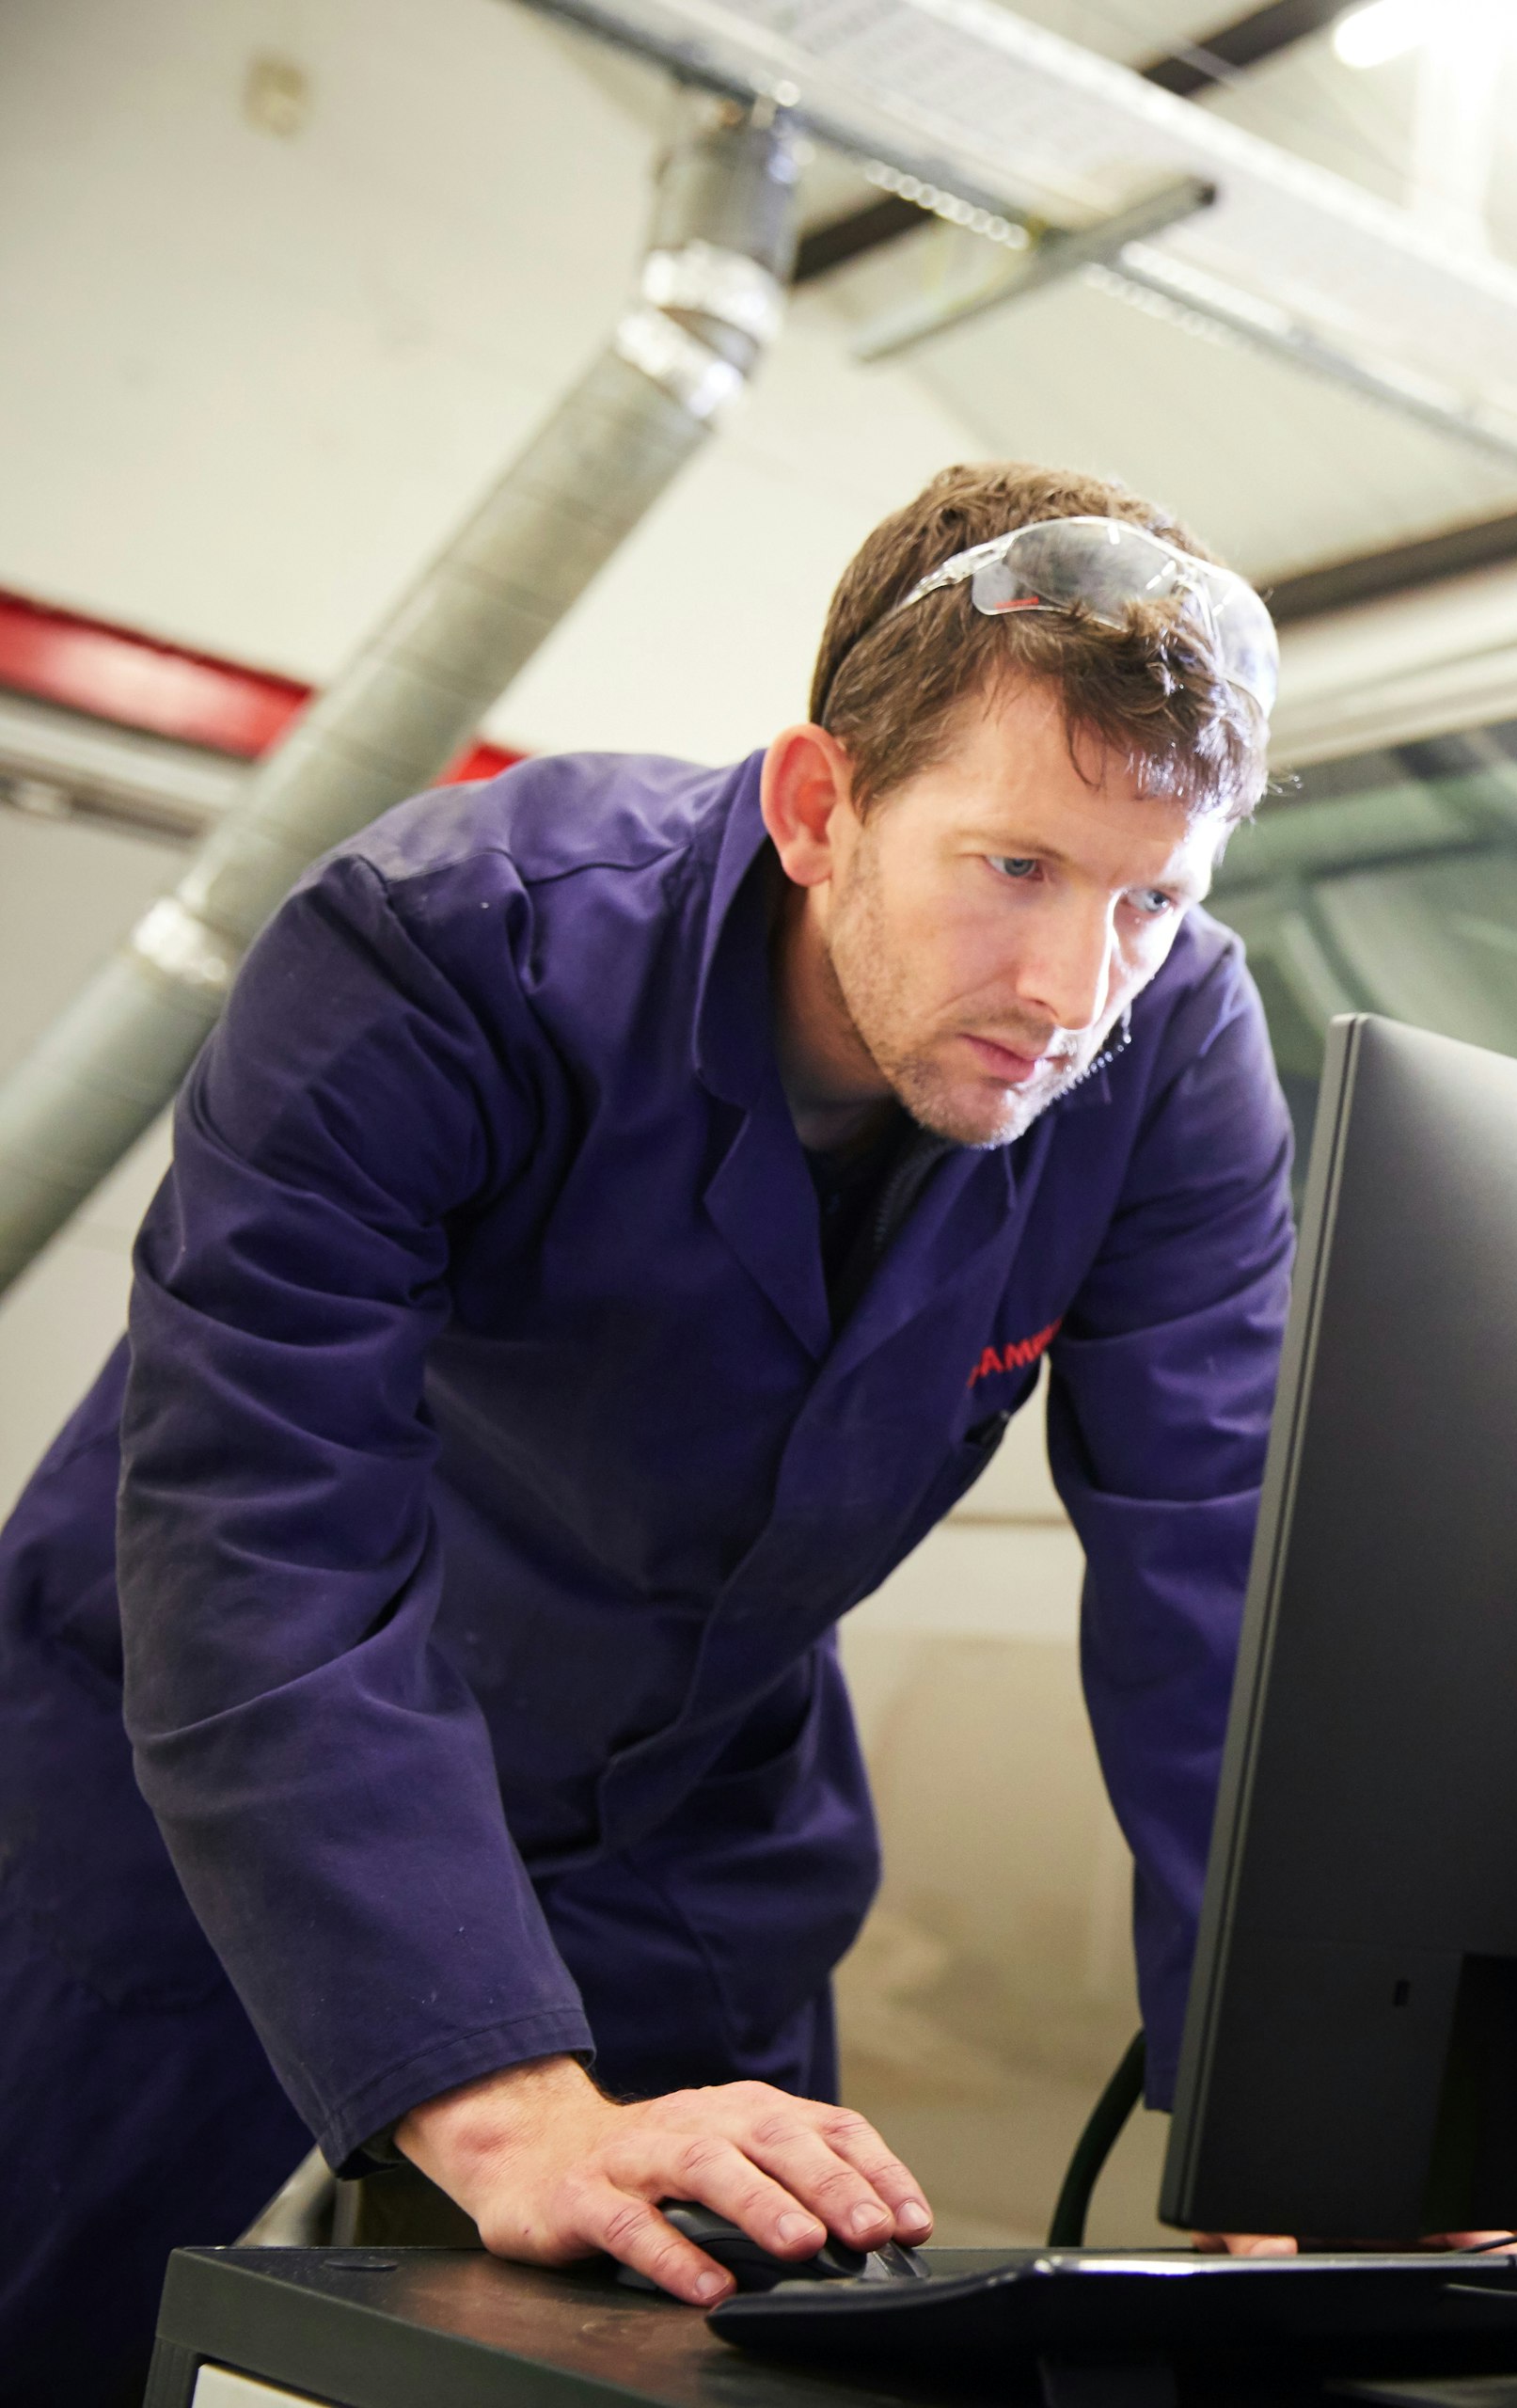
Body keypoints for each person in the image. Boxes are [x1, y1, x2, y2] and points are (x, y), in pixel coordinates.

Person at [0, 462, 1304, 2400]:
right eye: (1013, 867)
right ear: (816, 805)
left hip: (680, 1808)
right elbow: (264, 1528)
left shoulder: (1169, 1039)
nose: (1069, 990)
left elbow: (1230, 1566)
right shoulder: (441, 952)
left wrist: (1298, 2125)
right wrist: (501, 2107)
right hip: (187, 1765)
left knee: (753, 2360)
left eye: (1149, 899)